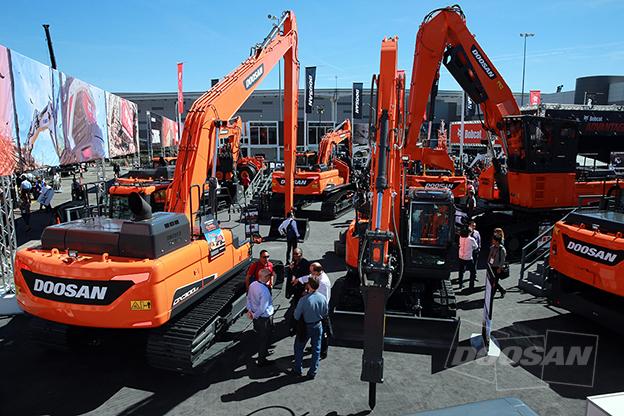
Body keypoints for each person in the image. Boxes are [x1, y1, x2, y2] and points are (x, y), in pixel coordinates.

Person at [292, 275, 328, 378]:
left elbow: (296, 316)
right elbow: (325, 312)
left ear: (309, 285)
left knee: (299, 347)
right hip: (318, 325)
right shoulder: (322, 298)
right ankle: (313, 371)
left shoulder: (304, 300)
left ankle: (298, 369)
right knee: (316, 349)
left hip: (305, 326)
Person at [294, 262, 332, 358]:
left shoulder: (323, 282)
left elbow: (325, 300)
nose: (310, 273)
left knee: (323, 332)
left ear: (317, 272)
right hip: (317, 308)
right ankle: (315, 346)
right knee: (317, 333)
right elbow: (309, 277)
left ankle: (323, 352)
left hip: (321, 311)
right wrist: (300, 279)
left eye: (312, 272)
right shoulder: (316, 276)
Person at [246, 268, 274, 366]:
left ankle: (263, 353)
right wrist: (255, 315)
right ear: (265, 277)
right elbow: (263, 308)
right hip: (264, 318)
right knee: (265, 338)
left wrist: (250, 312)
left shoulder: (252, 285)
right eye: (269, 276)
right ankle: (262, 360)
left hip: (255, 316)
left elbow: (248, 298)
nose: (270, 278)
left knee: (260, 336)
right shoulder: (264, 290)